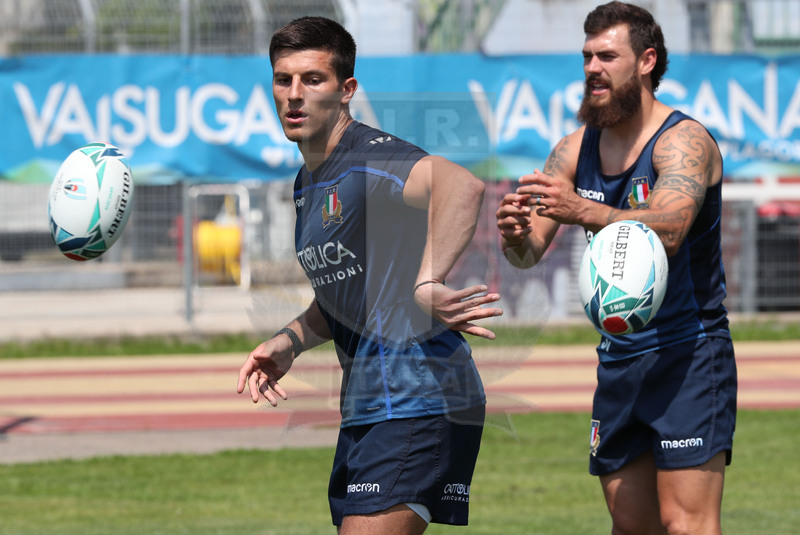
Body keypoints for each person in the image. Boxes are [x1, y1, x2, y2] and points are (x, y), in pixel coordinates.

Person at [236, 16, 502, 535]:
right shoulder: (307, 182)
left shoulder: (369, 159)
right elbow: (345, 298)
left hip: (419, 394)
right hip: (370, 405)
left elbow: (462, 187)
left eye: (312, 79)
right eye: (282, 79)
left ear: (346, 90)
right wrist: (289, 342)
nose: (294, 94)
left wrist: (428, 281)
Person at [496, 2, 736, 534]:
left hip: (689, 355)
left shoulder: (684, 141)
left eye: (607, 55)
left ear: (646, 61)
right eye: (586, 56)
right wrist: (513, 233)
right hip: (619, 360)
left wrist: (584, 209)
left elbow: (669, 228)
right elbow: (527, 251)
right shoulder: (573, 149)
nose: (591, 69)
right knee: (631, 526)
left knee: (686, 524)